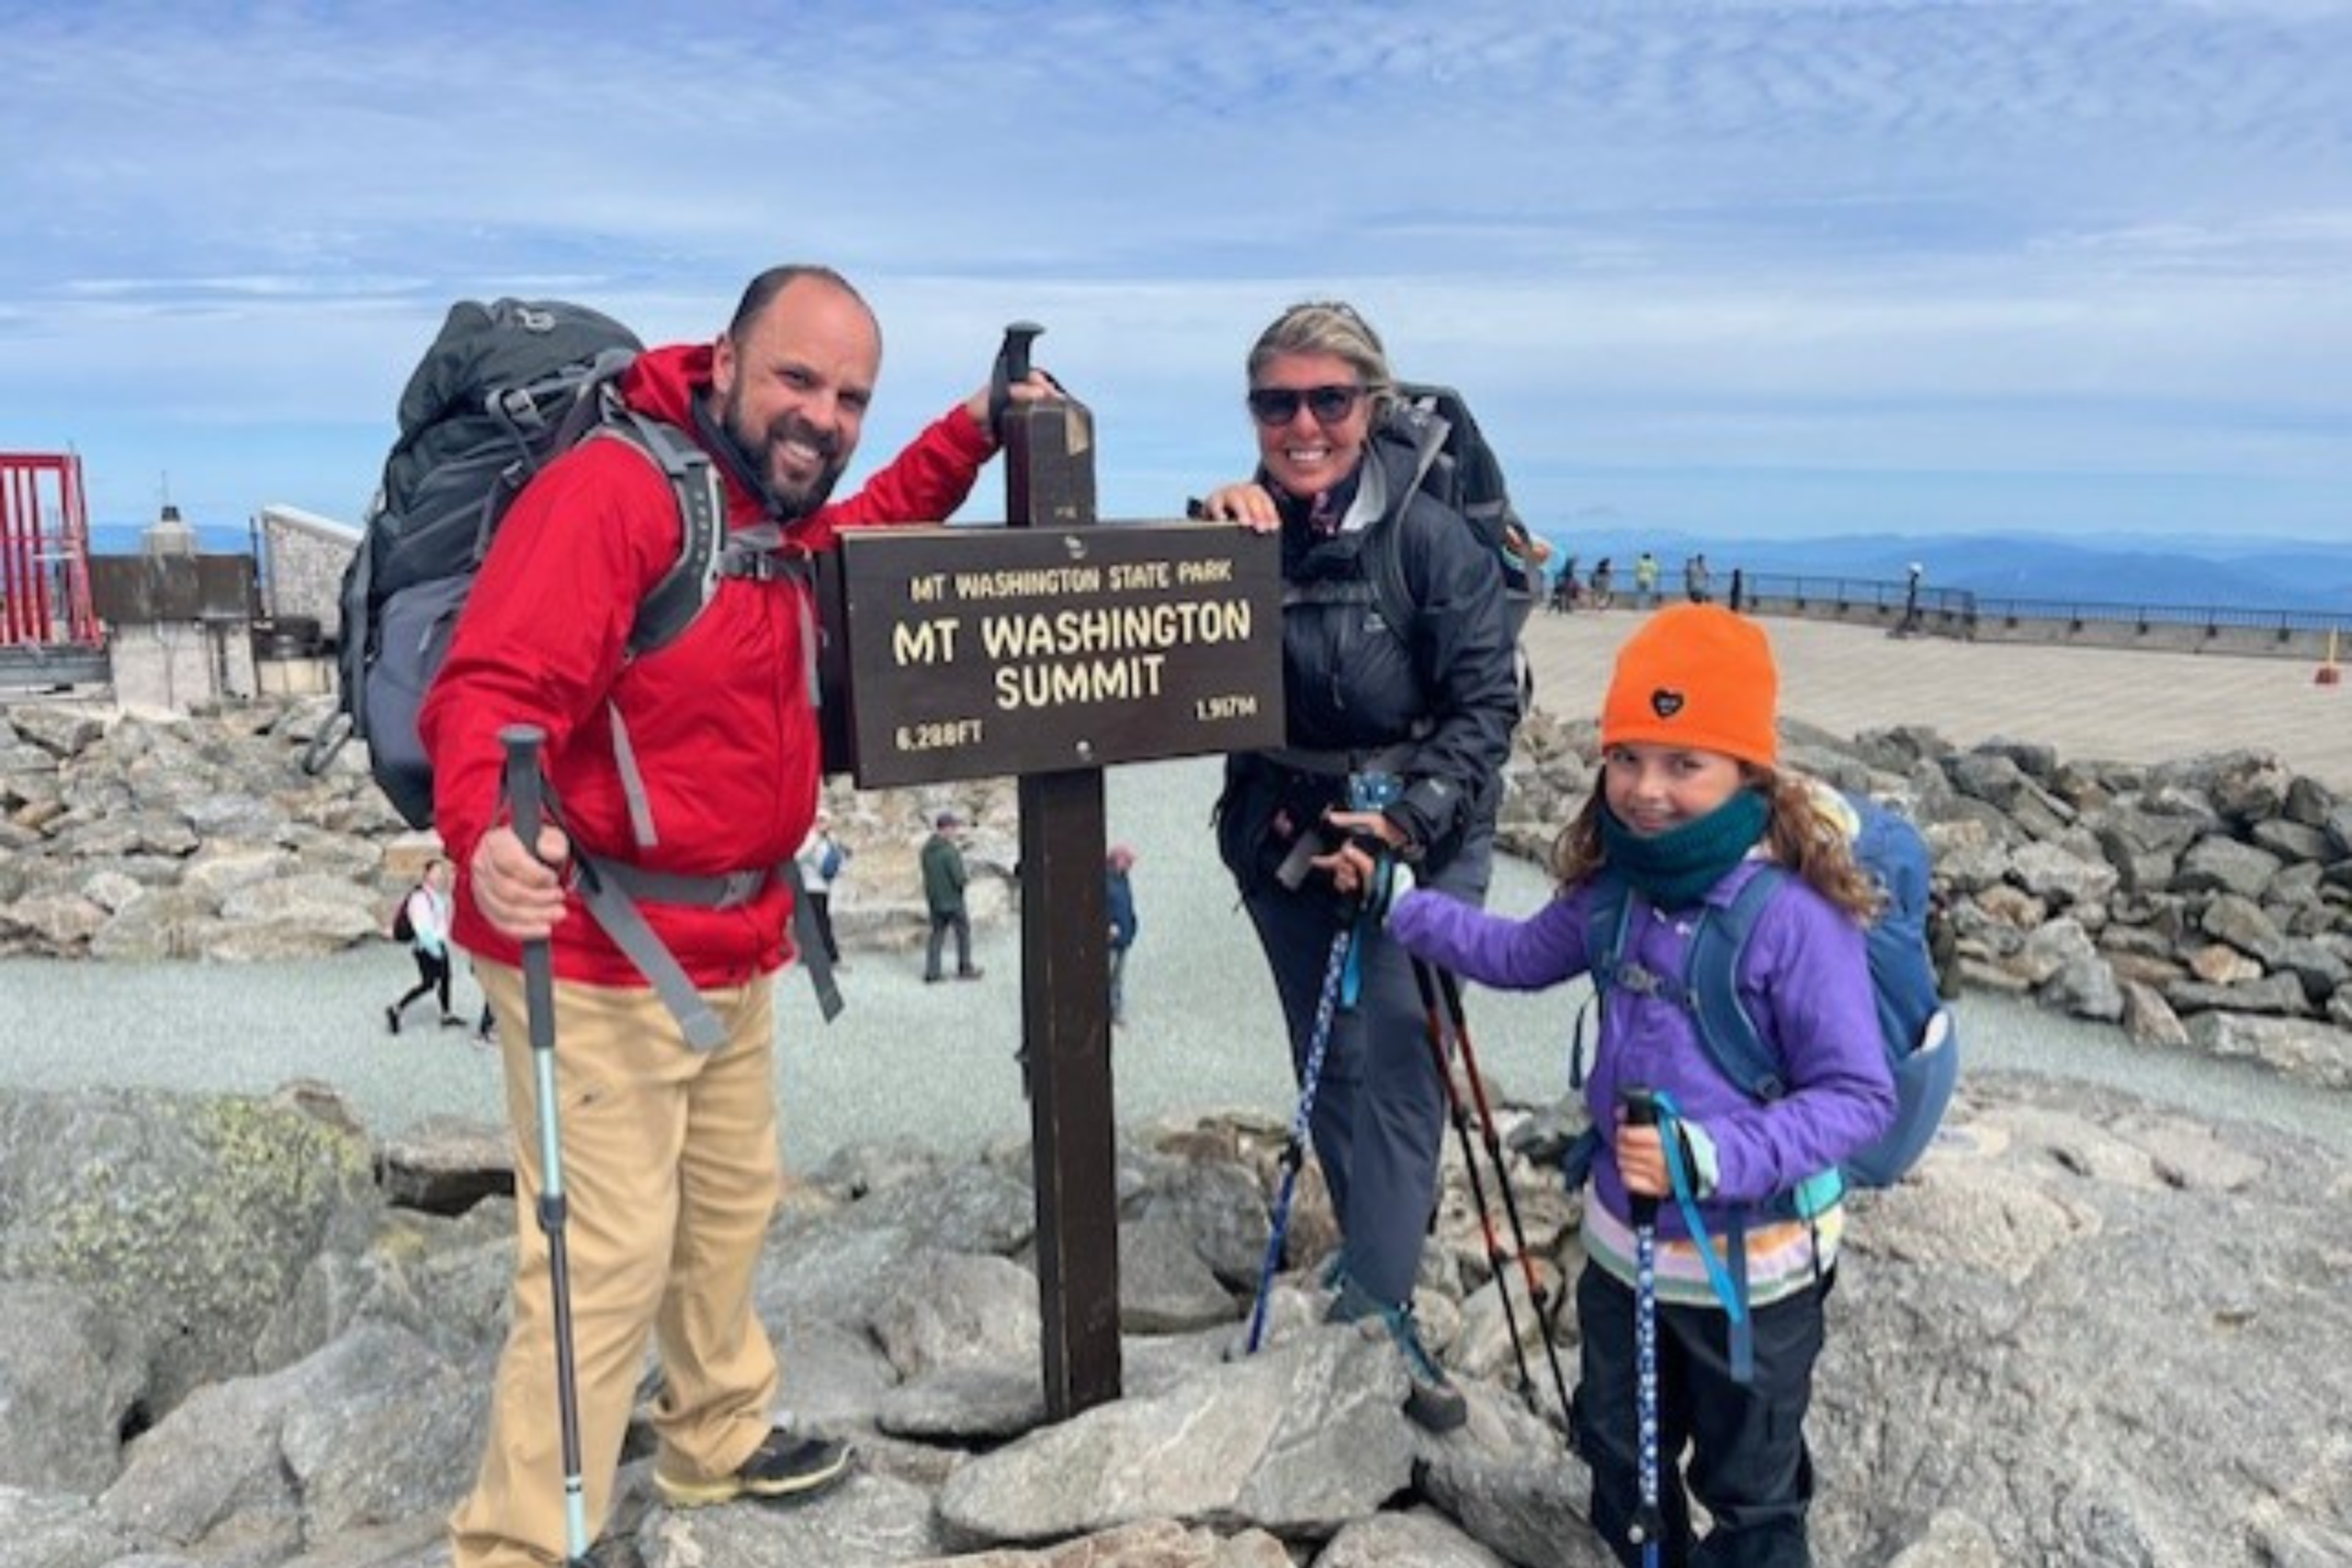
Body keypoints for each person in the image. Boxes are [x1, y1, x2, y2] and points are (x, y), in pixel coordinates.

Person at [416, 264, 1050, 1567]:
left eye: (850, 394)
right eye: (798, 379)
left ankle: (712, 1432)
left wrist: (978, 427)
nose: (823, 413)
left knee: (725, 1205)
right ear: (723, 365)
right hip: (595, 946)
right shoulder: (617, 492)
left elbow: (879, 513)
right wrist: (485, 838)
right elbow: (491, 686)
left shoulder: (769, 509)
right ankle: (521, 1540)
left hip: (737, 935)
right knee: (598, 1255)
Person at [1381, 604, 1897, 1566]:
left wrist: (1712, 1155)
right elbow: (1518, 954)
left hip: (1756, 1274)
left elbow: (1859, 1099)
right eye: (1626, 757)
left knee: (1749, 1499)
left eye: (1682, 762)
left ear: (1749, 771)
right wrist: (1406, 911)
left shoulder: (1792, 917)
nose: (1644, 790)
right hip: (1624, 1259)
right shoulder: (1615, 887)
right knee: (1619, 1461)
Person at [1193, 299, 1520, 1432]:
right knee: (1326, 1061)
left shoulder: (1429, 541)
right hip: (1284, 837)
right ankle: (1374, 1256)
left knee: (1396, 1058)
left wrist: (1410, 823)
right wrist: (1202, 535)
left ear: (1369, 406)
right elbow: (1158, 648)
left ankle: (1381, 1305)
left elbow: (1485, 706)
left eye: (1328, 399)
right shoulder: (1235, 528)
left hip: (1415, 835)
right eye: (1276, 402)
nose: (1302, 424)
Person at [385, 857, 460, 1032]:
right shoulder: (420, 898)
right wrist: (435, 950)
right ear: (426, 875)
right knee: (429, 983)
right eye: (436, 873)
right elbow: (422, 928)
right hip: (427, 946)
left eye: (441, 873)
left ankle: (446, 1013)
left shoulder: (434, 895)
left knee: (444, 978)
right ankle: (396, 1009)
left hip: (436, 943)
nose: (440, 876)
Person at [921, 809, 982, 983]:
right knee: (963, 933)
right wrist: (966, 879)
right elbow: (959, 878)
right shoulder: (949, 851)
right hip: (953, 901)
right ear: (945, 829)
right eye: (952, 828)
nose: (955, 832)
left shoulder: (926, 850)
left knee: (936, 935)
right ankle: (965, 968)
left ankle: (932, 973)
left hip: (934, 900)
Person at [794, 810, 849, 968]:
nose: (821, 824)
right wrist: (814, 840)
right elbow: (798, 856)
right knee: (820, 923)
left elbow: (836, 861)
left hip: (823, 887)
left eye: (824, 820)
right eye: (819, 820)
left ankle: (810, 955)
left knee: (818, 922)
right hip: (809, 887)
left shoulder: (830, 840)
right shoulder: (809, 838)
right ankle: (831, 957)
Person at [1104, 843, 1139, 1026]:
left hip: (1123, 940)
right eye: (1126, 862)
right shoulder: (1105, 881)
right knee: (1105, 978)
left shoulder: (1123, 880)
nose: (1129, 866)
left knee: (1117, 979)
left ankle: (1115, 1013)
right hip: (1109, 942)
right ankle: (1103, 1013)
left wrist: (1133, 926)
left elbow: (1127, 906)